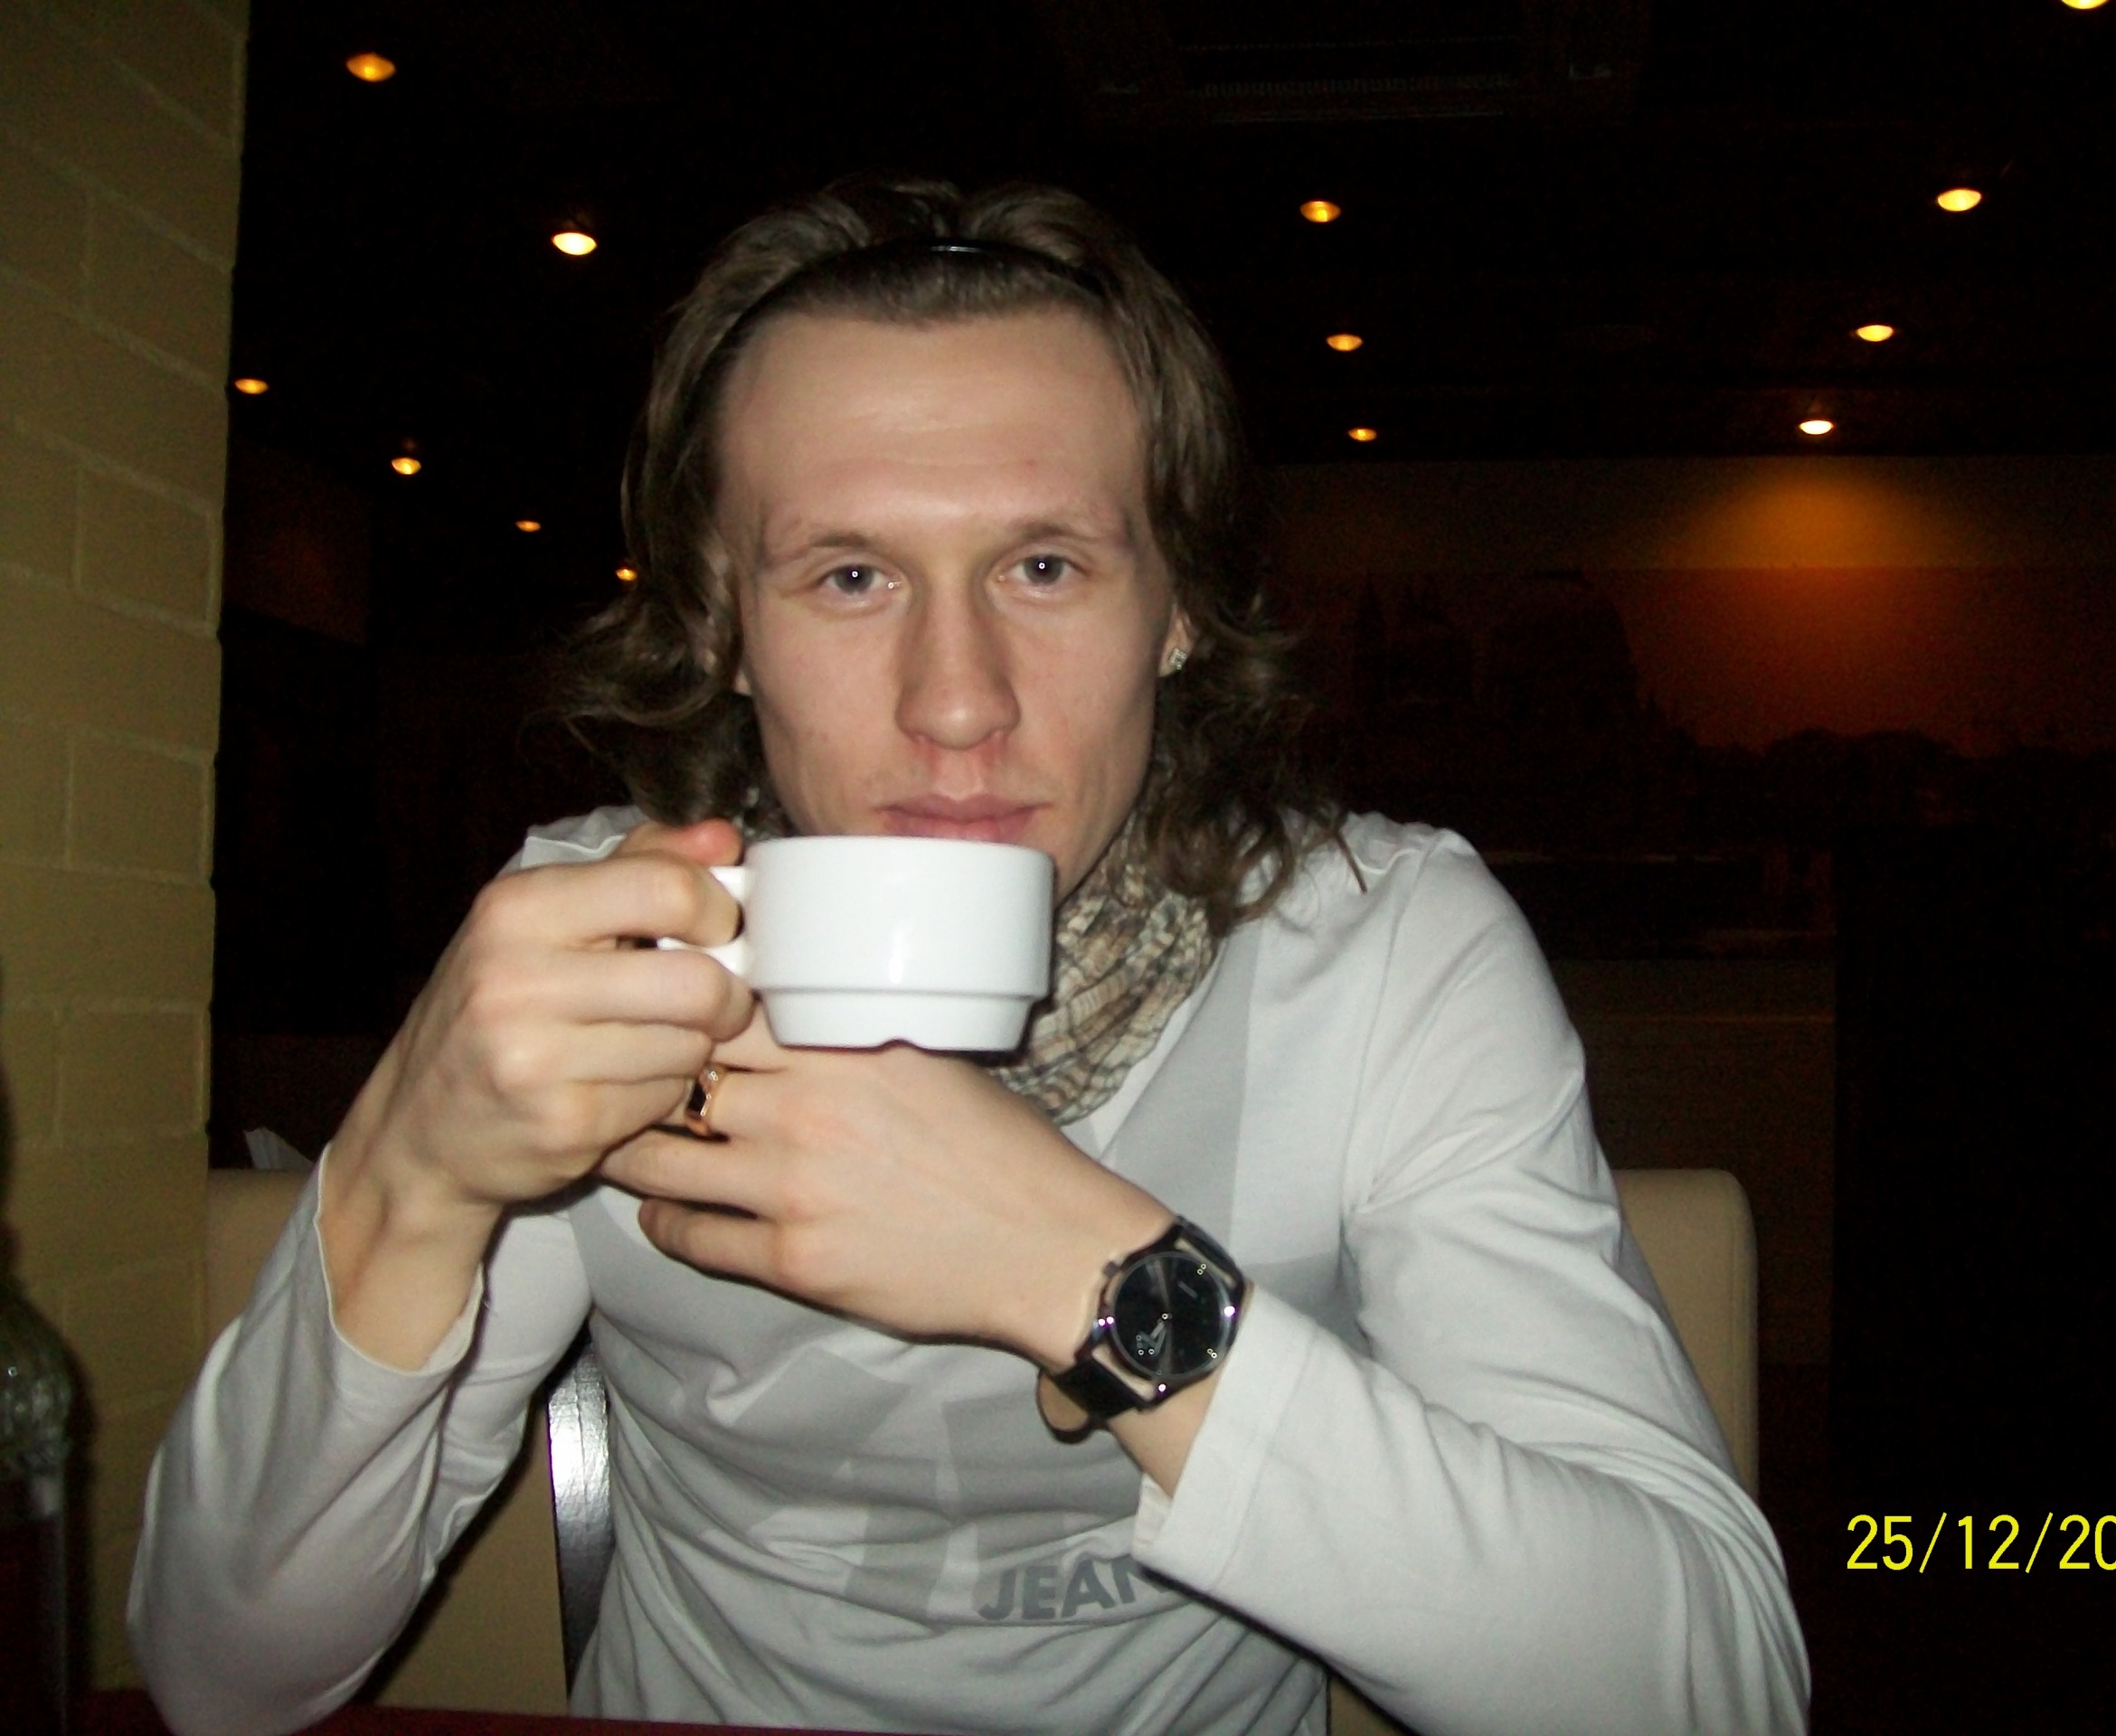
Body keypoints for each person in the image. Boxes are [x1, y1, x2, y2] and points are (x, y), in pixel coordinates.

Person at [130, 177, 1809, 1736]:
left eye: (1045, 565)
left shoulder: (1379, 948)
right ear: (724, 623)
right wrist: (412, 1175)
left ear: (1176, 608)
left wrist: (1086, 1274)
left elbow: (1710, 1693)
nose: (955, 703)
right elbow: (222, 1681)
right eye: (851, 574)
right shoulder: (605, 950)